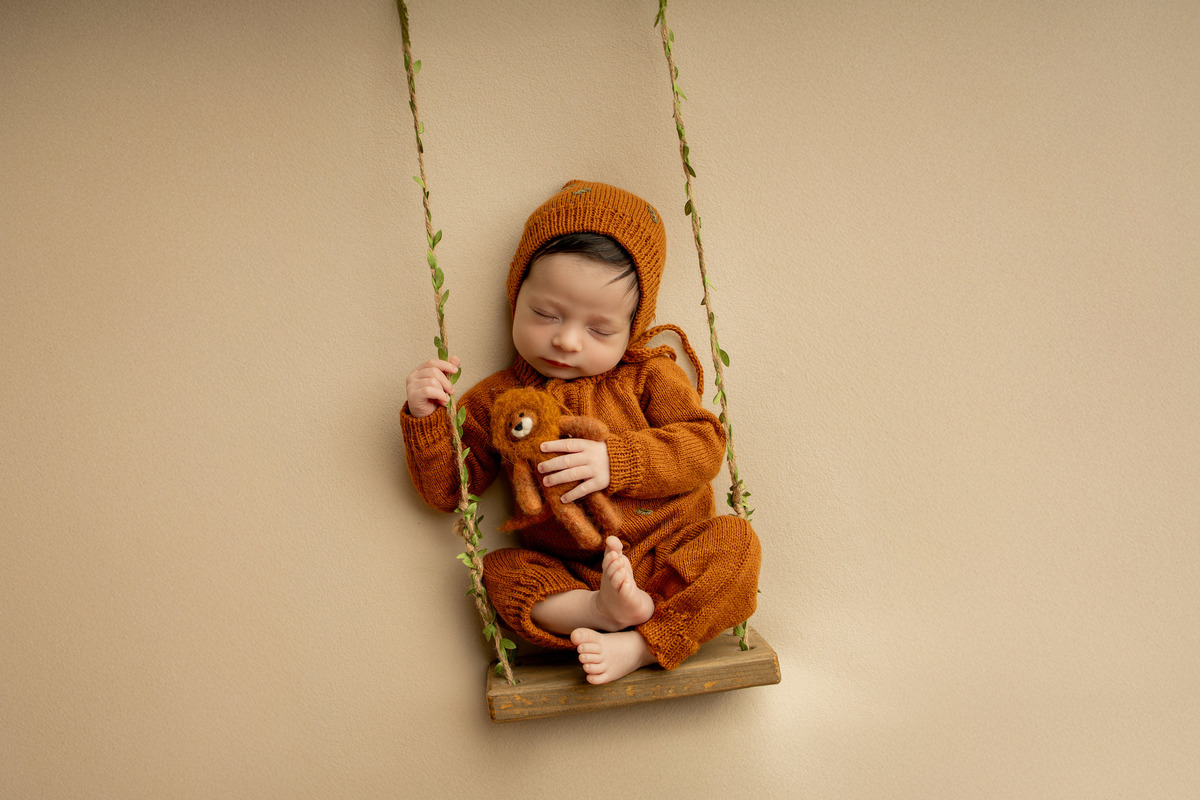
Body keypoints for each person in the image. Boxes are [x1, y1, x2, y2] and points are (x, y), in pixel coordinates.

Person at [401, 180, 760, 684]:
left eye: (600, 329)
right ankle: (600, 612)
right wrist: (426, 420)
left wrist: (617, 461)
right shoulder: (495, 400)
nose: (567, 340)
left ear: (632, 328)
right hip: (573, 574)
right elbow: (449, 491)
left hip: (671, 555)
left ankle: (642, 644)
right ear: (515, 297)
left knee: (737, 544)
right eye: (545, 314)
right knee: (497, 572)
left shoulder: (649, 376)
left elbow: (705, 446)